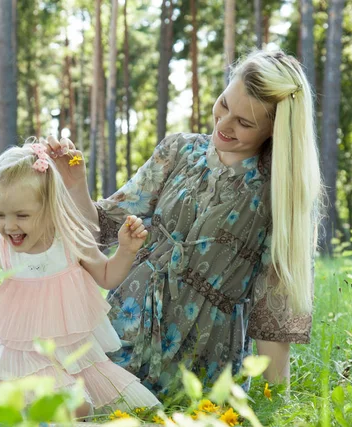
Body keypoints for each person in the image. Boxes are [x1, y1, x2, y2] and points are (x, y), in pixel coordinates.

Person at [44, 50, 322, 396]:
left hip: (201, 356)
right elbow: (102, 231)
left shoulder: (278, 194)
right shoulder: (178, 150)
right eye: (224, 104)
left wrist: (274, 398)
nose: (223, 124)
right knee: (58, 398)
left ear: (276, 129)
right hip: (125, 325)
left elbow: (274, 312)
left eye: (244, 122)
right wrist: (75, 184)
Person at [0, 142, 160, 416]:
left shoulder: (71, 240)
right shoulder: (2, 246)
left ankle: (39, 392)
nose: (9, 226)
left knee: (129, 407)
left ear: (49, 207)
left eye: (22, 215)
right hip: (20, 346)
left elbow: (107, 276)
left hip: (66, 347)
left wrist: (126, 250)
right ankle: (17, 388)